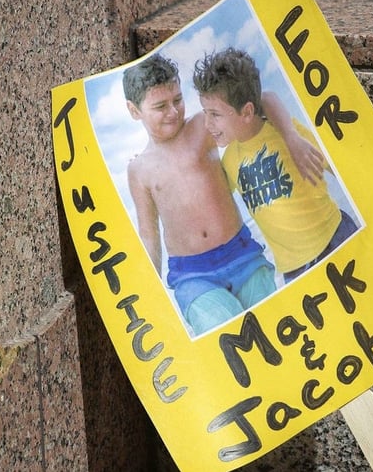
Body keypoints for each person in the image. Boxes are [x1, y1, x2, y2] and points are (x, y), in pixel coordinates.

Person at [122, 54, 320, 335]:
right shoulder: (138, 169)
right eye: (160, 106)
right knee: (228, 339)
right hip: (193, 276)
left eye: (178, 100)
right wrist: (149, 293)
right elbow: (149, 233)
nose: (173, 112)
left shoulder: (202, 125)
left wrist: (290, 136)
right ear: (134, 111)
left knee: (274, 333)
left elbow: (264, 100)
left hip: (242, 256)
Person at [193, 48, 359, 284]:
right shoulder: (229, 160)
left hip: (337, 236)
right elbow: (209, 200)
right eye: (204, 113)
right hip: (295, 271)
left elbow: (341, 170)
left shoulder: (285, 132)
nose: (207, 123)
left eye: (215, 114)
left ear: (247, 112)